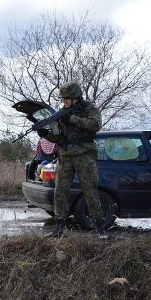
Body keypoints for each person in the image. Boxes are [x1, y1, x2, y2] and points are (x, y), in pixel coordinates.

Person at [37, 82, 107, 239]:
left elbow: (95, 125)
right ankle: (60, 227)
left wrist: (72, 118)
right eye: (63, 99)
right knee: (60, 191)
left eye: (67, 99)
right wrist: (45, 134)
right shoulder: (63, 112)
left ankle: (100, 227)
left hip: (84, 155)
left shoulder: (90, 108)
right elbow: (59, 136)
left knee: (90, 191)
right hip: (65, 155)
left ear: (76, 97)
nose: (64, 102)